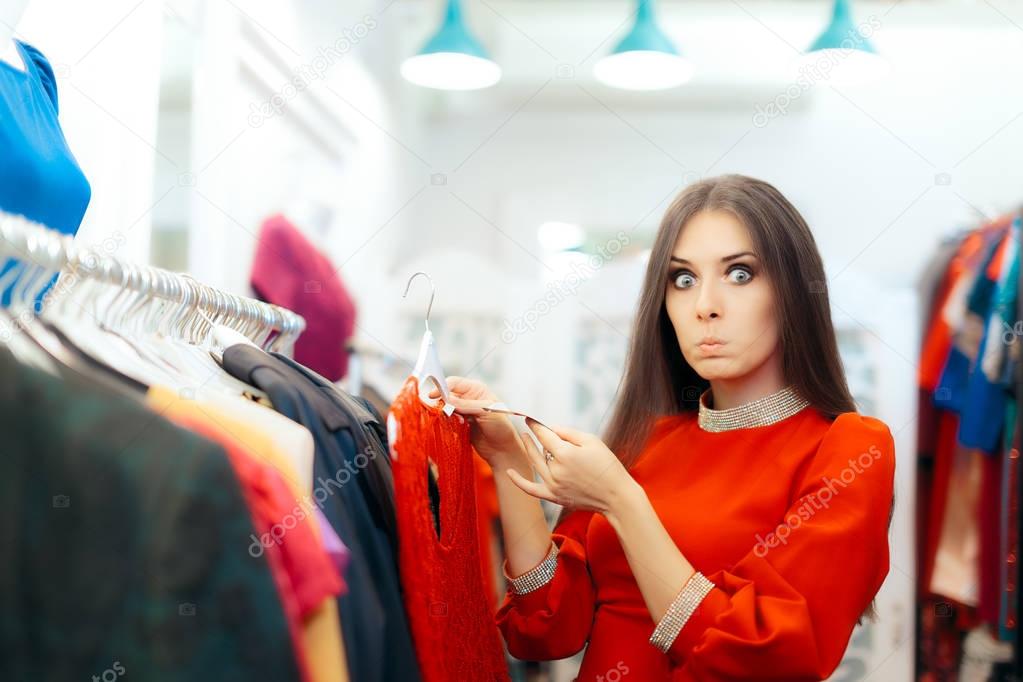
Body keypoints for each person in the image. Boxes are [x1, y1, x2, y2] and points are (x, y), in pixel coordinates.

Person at [434, 174, 896, 681]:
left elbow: (764, 657)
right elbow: (545, 633)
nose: (705, 306)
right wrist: (509, 460)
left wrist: (622, 502)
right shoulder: (643, 442)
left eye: (740, 274)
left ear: (793, 290)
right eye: (683, 279)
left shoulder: (847, 447)